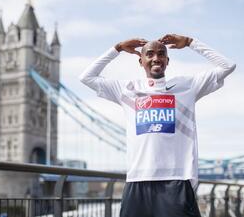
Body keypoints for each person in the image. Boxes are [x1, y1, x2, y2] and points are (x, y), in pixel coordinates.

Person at [79, 34, 236, 217]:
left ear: (167, 61)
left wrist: (190, 43)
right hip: (138, 179)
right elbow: (86, 77)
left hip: (176, 180)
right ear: (141, 61)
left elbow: (228, 66)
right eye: (150, 54)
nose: (156, 58)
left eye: (161, 54)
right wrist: (118, 48)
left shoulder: (187, 86)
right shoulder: (127, 89)